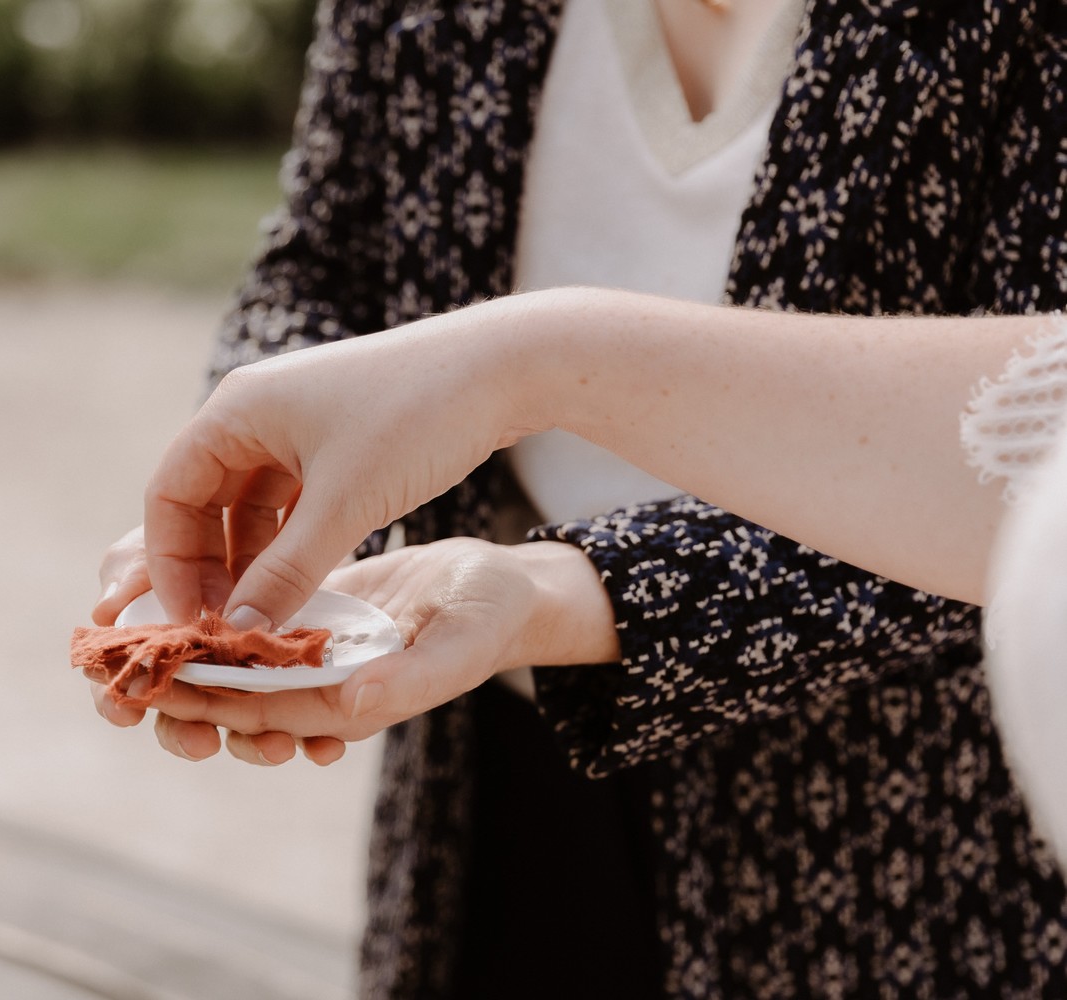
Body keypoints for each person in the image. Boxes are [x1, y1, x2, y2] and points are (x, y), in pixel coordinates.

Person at [93, 0, 1067, 995]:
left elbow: (1031, 471)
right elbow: (321, 263)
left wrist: (570, 582)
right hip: (476, 770)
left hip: (902, 841)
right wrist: (287, 485)